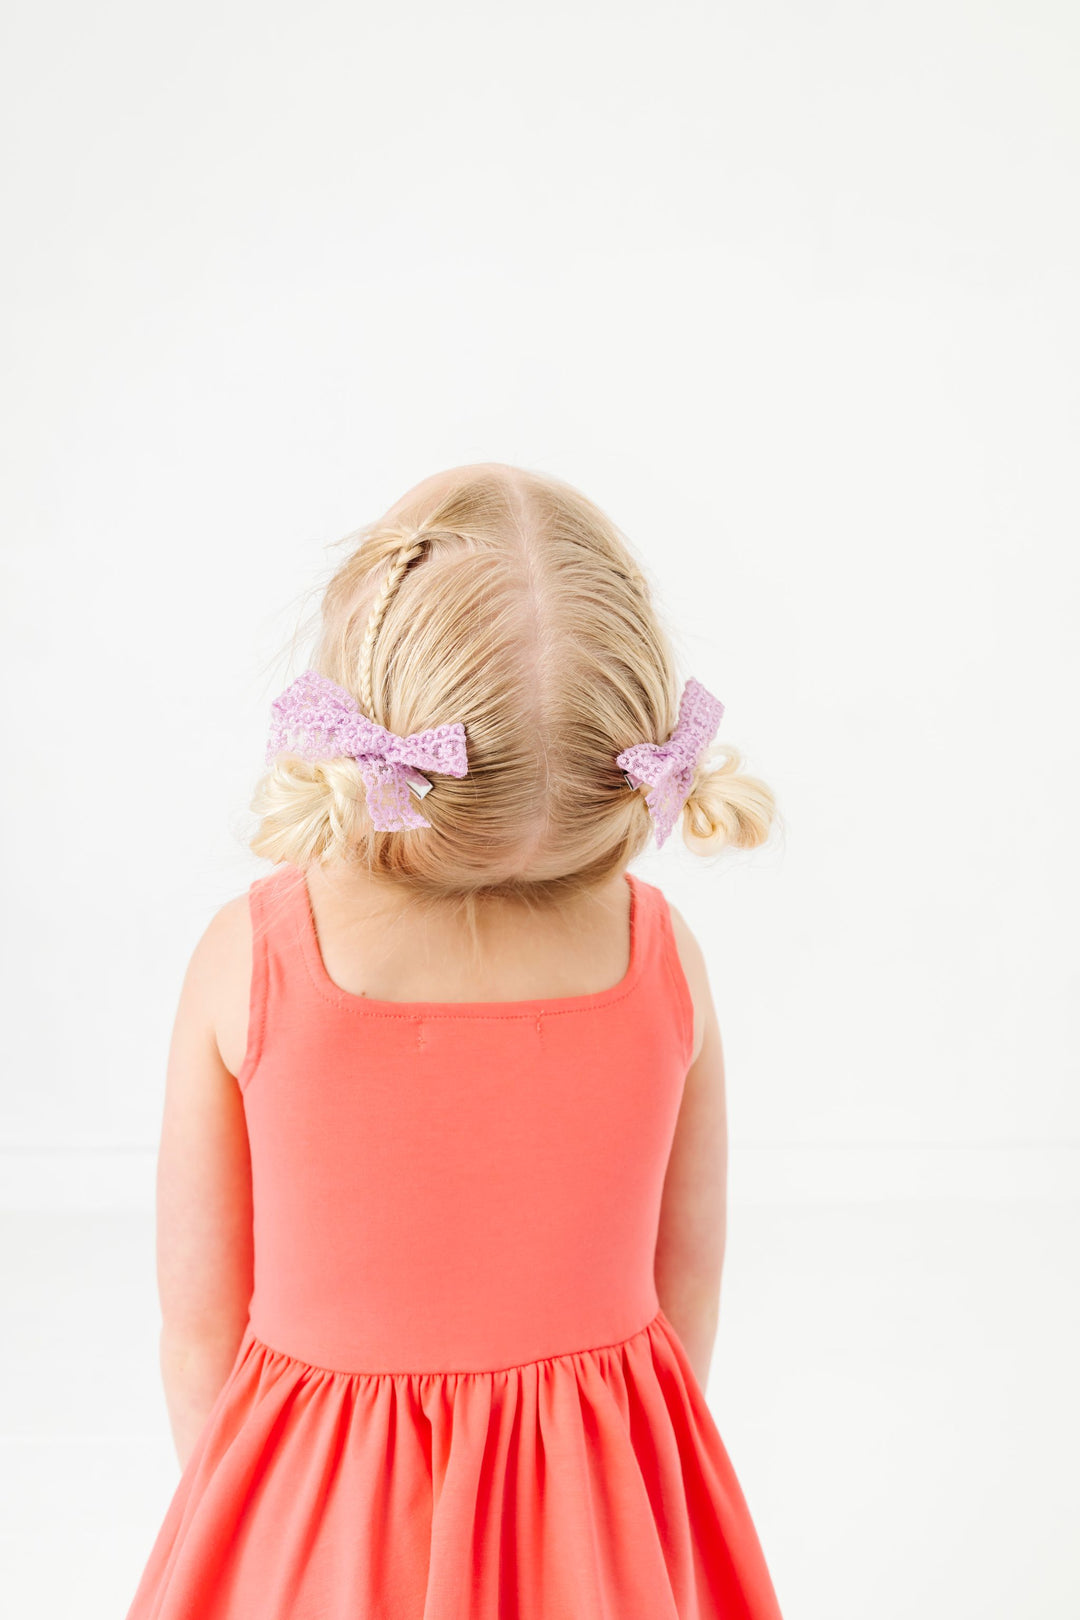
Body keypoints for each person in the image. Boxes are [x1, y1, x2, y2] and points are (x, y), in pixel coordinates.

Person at [124, 462, 785, 1618]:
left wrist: (262, 1525)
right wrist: (621, 1495)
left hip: (320, 1522)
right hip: (594, 1514)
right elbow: (689, 1286)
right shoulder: (661, 954)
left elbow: (196, 1327)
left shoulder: (253, 959)